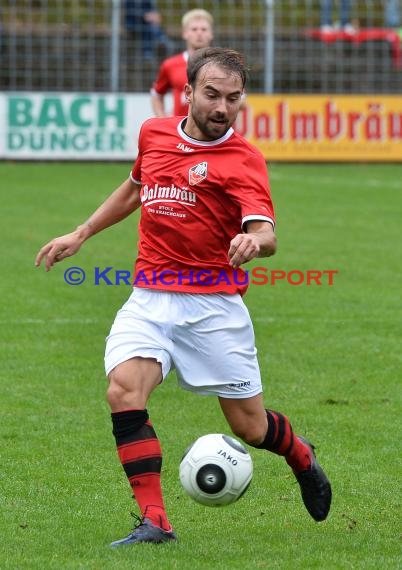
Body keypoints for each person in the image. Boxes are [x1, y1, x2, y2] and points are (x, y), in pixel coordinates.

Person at [35, 47, 332, 547]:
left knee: (252, 428)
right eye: (212, 95)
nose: (222, 108)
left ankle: (301, 455)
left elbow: (267, 232)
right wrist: (81, 232)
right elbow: (134, 188)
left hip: (213, 306)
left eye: (233, 99)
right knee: (123, 390)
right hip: (151, 296)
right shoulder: (154, 134)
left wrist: (252, 241)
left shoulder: (244, 158)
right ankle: (156, 522)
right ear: (188, 92)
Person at [150, 9, 214, 116]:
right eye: (194, 29)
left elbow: (240, 99)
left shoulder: (223, 64)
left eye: (204, 29)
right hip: (180, 130)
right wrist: (163, 121)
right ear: (185, 33)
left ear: (211, 34)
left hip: (214, 130)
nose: (199, 33)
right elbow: (156, 94)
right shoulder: (170, 65)